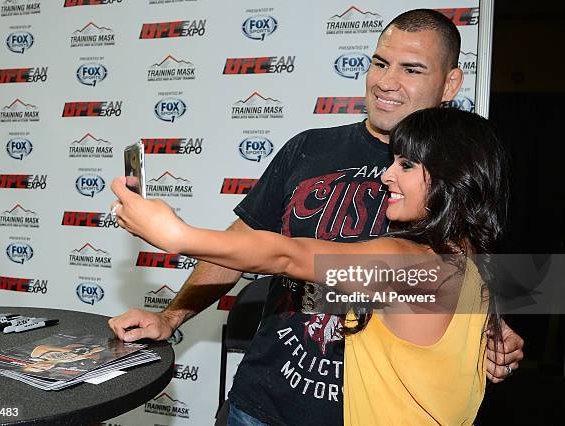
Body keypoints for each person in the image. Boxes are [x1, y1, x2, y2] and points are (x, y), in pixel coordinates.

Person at [109, 9, 524, 425]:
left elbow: (291, 257)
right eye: (380, 63)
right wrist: (170, 316)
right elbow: (244, 247)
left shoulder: (451, 194)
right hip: (261, 407)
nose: (386, 81)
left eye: (411, 69)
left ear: (451, 82)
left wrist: (486, 332)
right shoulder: (308, 148)